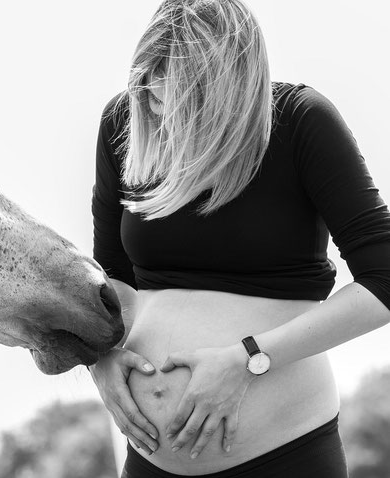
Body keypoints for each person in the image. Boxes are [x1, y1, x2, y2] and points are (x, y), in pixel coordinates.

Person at [88, 1, 390, 477]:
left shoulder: (300, 121)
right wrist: (100, 360)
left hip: (286, 455)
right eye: (150, 95)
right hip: (148, 462)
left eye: (182, 102)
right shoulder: (124, 123)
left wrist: (247, 359)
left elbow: (384, 281)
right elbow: (110, 281)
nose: (160, 114)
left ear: (229, 88)